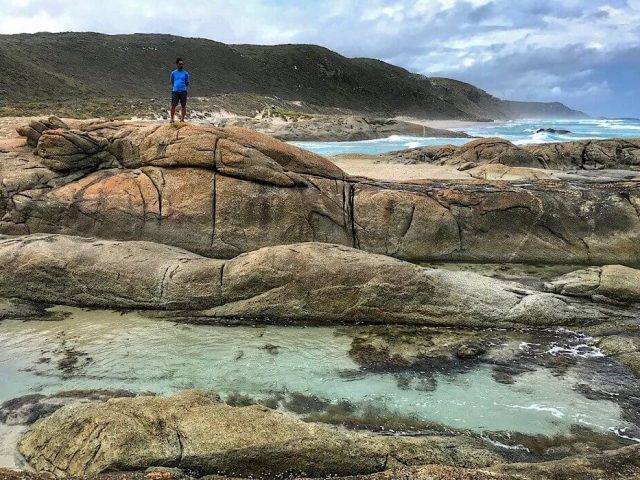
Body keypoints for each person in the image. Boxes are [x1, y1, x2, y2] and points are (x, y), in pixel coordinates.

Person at [170, 58, 190, 123]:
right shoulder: (173, 73)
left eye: (182, 64)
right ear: (177, 64)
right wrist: (175, 87)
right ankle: (172, 119)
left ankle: (182, 119)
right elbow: (172, 81)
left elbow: (187, 82)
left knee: (183, 106)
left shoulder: (185, 73)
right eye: (180, 64)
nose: (181, 65)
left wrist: (182, 87)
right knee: (173, 105)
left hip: (183, 91)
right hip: (175, 91)